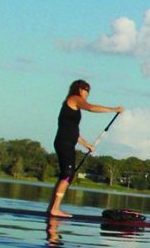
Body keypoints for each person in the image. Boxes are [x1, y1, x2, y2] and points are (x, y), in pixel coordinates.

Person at [47, 79, 123, 217]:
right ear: (78, 89)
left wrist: (85, 144)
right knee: (67, 174)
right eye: (85, 89)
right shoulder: (75, 99)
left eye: (89, 90)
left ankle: (52, 208)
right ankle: (55, 209)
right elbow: (91, 108)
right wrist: (113, 110)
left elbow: (72, 130)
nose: (87, 93)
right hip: (64, 142)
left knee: (66, 175)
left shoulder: (73, 105)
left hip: (67, 142)